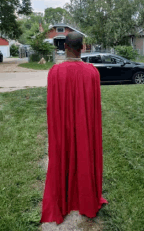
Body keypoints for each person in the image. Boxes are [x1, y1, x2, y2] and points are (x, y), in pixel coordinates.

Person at [40, 32, 108, 224]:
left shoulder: (54, 72)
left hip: (63, 129)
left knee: (64, 154)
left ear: (64, 48)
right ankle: (86, 198)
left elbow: (52, 108)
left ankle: (65, 199)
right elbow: (94, 110)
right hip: (85, 128)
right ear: (83, 48)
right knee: (84, 154)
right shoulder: (92, 72)